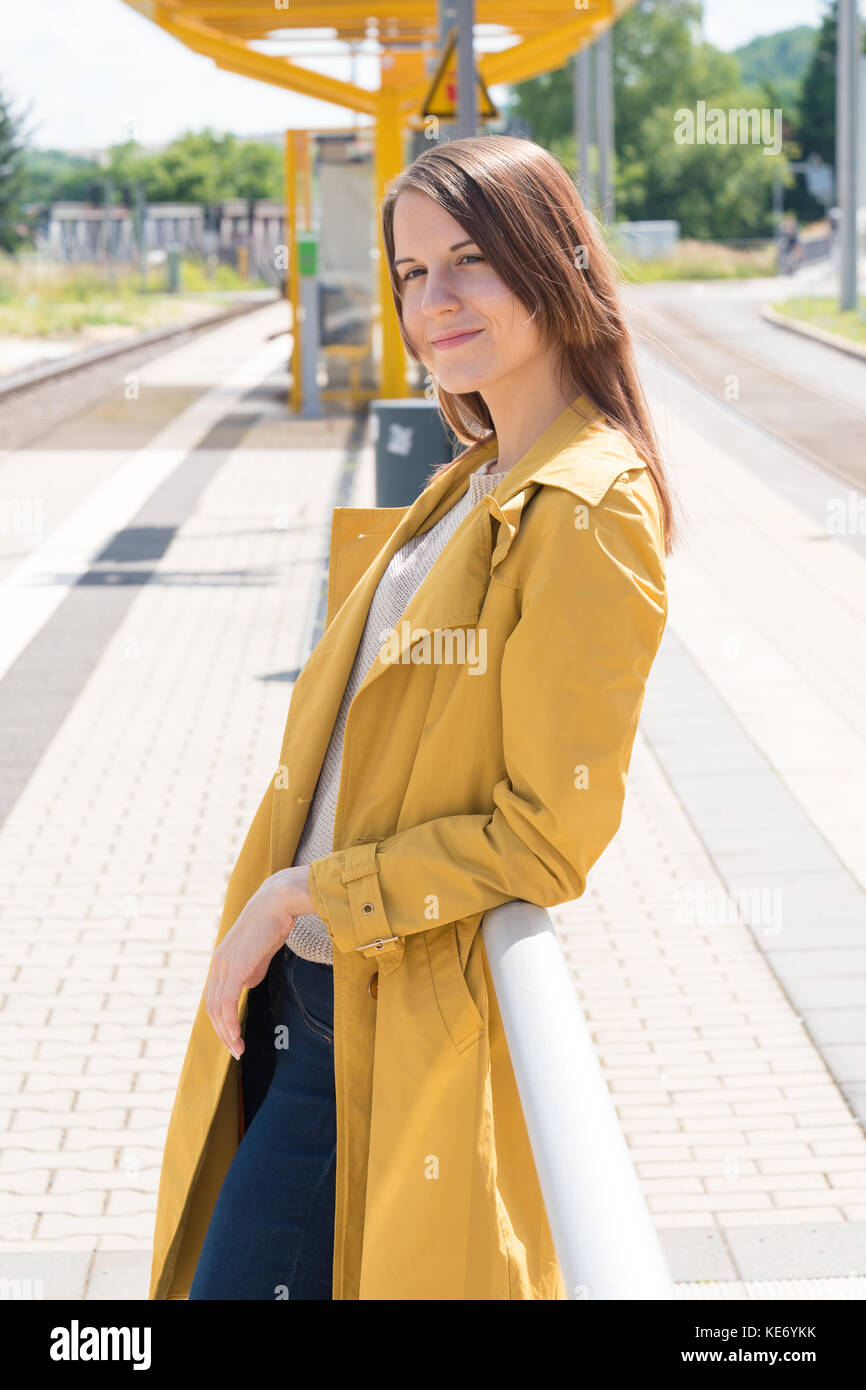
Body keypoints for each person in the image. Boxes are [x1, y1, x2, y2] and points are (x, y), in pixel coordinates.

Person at [149, 133, 680, 1301]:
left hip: (372, 999)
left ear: (554, 263)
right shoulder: (478, 468)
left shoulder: (589, 508)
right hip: (319, 990)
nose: (431, 301)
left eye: (468, 261)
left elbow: (548, 833)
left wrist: (305, 894)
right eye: (407, 273)